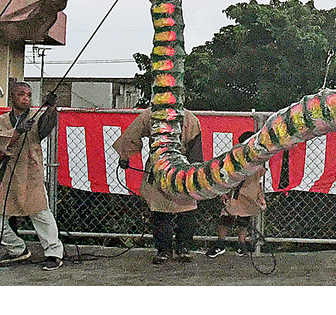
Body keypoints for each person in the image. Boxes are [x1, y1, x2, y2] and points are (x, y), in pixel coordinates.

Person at [0, 81, 64, 270]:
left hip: (31, 171)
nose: (25, 98)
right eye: (21, 94)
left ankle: (54, 252)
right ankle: (17, 249)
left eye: (28, 95)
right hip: (9, 173)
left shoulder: (36, 118)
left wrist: (51, 108)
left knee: (41, 213)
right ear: (12, 97)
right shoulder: (0, 121)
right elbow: (0, 142)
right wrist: (19, 130)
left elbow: (45, 128)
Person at [114, 102, 203, 265]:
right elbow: (134, 133)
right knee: (164, 210)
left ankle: (173, 250)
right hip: (163, 168)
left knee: (179, 211)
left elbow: (131, 135)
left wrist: (125, 156)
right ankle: (171, 249)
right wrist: (125, 156)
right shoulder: (182, 117)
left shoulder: (180, 118)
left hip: (176, 168)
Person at [206, 130, 266, 258]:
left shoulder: (259, 161)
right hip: (234, 193)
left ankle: (241, 244)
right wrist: (224, 192)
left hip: (249, 193)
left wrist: (260, 196)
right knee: (226, 217)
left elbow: (259, 181)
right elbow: (225, 177)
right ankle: (221, 243)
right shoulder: (233, 159)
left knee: (244, 219)